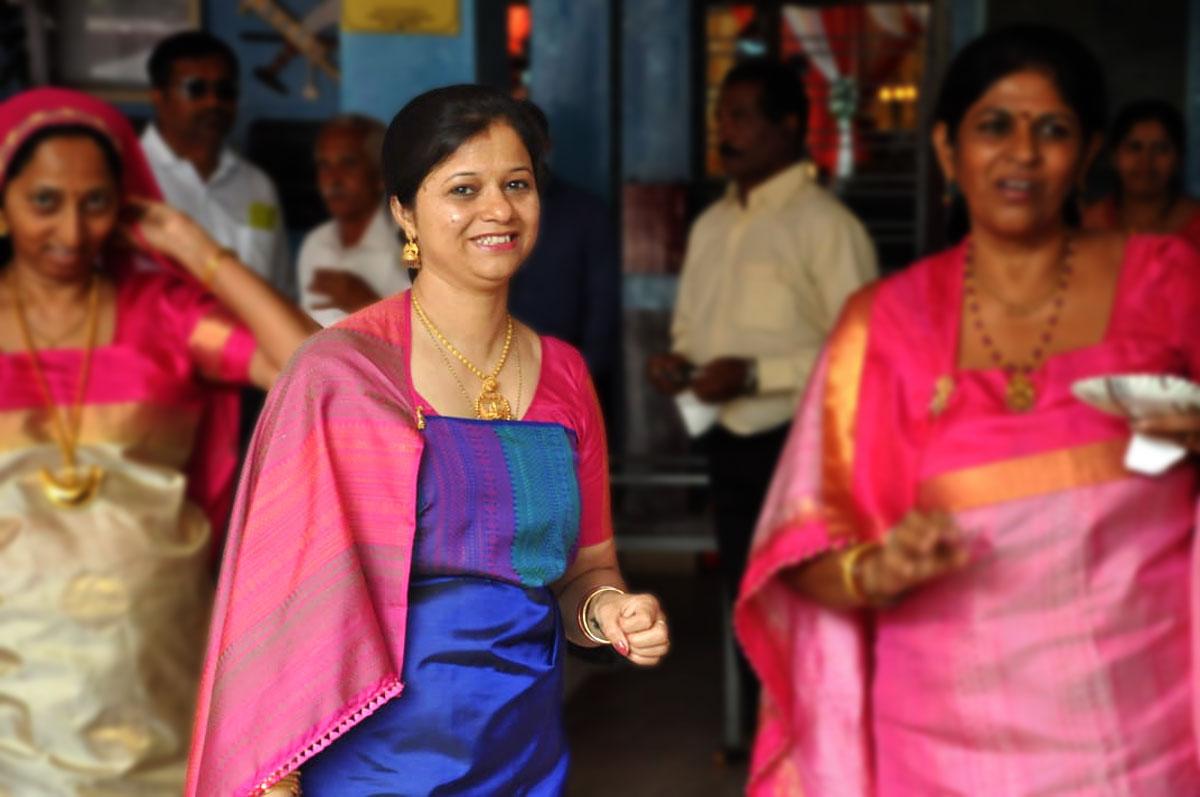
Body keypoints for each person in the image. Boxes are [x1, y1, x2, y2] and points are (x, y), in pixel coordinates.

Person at [735, 25, 1200, 796]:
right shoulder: (881, 327)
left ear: (1086, 157)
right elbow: (800, 551)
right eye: (995, 126)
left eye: (1051, 129)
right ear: (949, 151)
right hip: (938, 753)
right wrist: (878, 568)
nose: (1022, 151)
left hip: (1142, 744)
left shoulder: (1170, 284)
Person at [184, 84, 670, 797]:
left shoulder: (565, 374)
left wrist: (611, 613)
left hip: (521, 742)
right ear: (404, 213)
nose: (498, 209)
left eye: (517, 184)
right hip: (372, 753)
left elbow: (585, 567)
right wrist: (275, 778)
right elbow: (280, 609)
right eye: (463, 188)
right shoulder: (342, 373)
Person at [0, 87, 315, 794]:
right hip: (13, 688)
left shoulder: (165, 315)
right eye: (44, 201)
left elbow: (315, 375)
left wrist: (199, 254)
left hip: (160, 665)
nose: (73, 232)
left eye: (96, 202)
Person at [647, 57, 876, 739]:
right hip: (727, 442)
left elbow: (863, 356)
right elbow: (690, 329)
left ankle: (825, 747)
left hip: (800, 449)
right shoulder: (713, 224)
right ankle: (765, 743)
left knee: (809, 603)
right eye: (721, 115)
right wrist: (678, 364)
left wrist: (755, 374)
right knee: (747, 600)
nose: (726, 130)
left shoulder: (827, 227)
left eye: (742, 115)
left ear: (789, 126)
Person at [141, 30, 294, 298]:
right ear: (159, 96)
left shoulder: (258, 186)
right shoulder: (129, 177)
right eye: (195, 89)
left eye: (225, 91)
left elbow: (282, 291)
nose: (213, 102)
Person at [507, 101, 621, 420]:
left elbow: (602, 308)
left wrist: (581, 381)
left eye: (526, 141)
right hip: (484, 381)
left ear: (545, 145)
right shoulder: (479, 212)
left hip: (563, 384)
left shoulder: (586, 213)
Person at [297, 113, 411, 327]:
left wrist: (366, 303)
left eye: (348, 163)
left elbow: (435, 345)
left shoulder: (411, 242)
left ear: (379, 176)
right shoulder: (316, 243)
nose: (333, 179)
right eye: (324, 165)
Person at [1082, 99, 1200, 247]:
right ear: (1114, 156)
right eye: (1134, 147)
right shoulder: (1087, 226)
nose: (1146, 162)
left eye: (1161, 149)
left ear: (1179, 159)